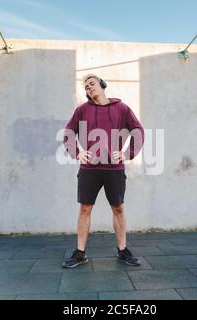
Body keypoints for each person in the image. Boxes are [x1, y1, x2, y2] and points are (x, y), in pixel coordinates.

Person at [62, 74, 145, 268]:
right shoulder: (82, 109)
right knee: (85, 209)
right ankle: (80, 253)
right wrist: (76, 152)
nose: (89, 88)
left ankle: (123, 251)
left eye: (92, 84)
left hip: (114, 169)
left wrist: (127, 153)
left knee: (118, 208)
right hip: (89, 169)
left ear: (102, 85)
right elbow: (68, 132)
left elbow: (138, 130)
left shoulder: (122, 108)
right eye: (86, 86)